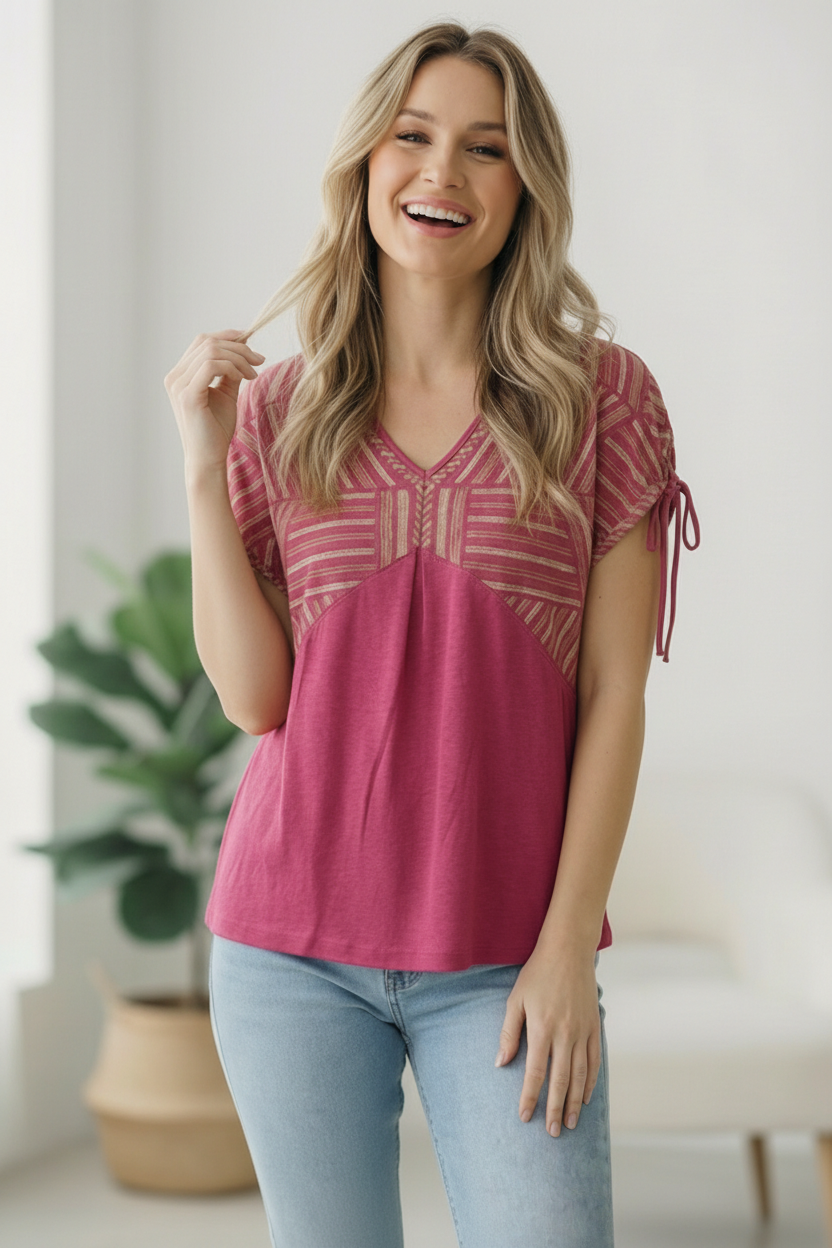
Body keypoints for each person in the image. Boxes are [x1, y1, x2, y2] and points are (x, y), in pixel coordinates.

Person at [164, 20, 700, 1248]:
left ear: (526, 193)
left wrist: (567, 946)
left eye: (485, 149)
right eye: (410, 138)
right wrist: (203, 464)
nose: (440, 174)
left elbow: (616, 694)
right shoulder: (286, 411)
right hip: (287, 950)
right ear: (363, 166)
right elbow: (258, 700)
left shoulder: (600, 400)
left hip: (507, 962)